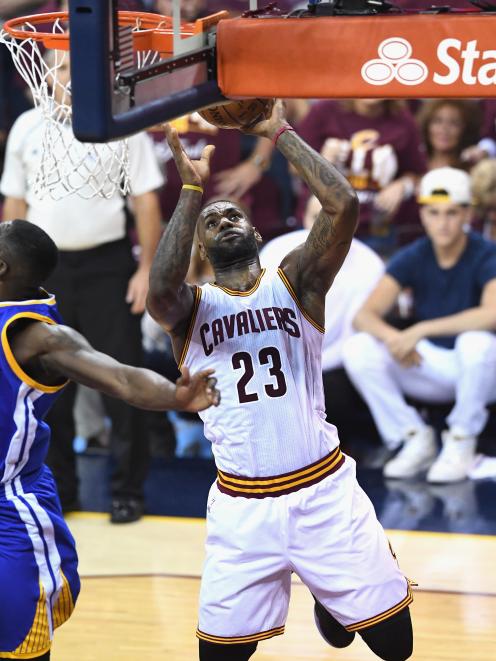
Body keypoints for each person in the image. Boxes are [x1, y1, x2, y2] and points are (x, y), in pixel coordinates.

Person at [147, 102, 413, 661]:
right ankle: (328, 588)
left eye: (232, 214)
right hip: (244, 505)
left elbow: (342, 204)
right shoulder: (190, 308)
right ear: (199, 245)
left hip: (323, 492)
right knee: (219, 658)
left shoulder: (296, 281)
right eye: (210, 221)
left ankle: (330, 587)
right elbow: (159, 291)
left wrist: (279, 132)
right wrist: (190, 192)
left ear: (255, 227)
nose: (224, 222)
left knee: (396, 648)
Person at [0, 219, 219, 661]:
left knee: (18, 640)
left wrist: (176, 397)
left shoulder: (37, 335)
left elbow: (118, 376)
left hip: (10, 511)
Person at [0, 51, 164, 523]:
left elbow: (146, 199)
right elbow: (14, 202)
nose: (65, 75)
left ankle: (128, 490)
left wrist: (145, 267)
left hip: (107, 265)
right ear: (41, 74)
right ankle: (62, 489)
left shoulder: (123, 124)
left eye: (74, 66)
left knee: (119, 374)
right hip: (40, 274)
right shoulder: (26, 127)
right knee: (46, 383)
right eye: (59, 67)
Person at [343, 167, 496, 483]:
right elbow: (363, 316)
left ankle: (461, 441)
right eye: (434, 212)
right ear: (423, 215)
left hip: (481, 372)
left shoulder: (486, 252)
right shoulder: (414, 254)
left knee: (476, 342)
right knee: (357, 348)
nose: (442, 222)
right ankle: (412, 436)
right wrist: (394, 338)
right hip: (433, 366)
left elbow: (491, 314)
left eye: (452, 213)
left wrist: (419, 331)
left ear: (467, 214)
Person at [260, 194, 385, 445]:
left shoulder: (370, 264)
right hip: (279, 363)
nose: (323, 229)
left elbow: (355, 337)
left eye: (332, 220)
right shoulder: (275, 251)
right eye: (316, 219)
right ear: (305, 219)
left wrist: (310, 372)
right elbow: (260, 321)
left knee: (333, 389)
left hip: (334, 367)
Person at [296, 99, 426, 254]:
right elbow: (293, 167)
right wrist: (321, 158)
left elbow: (417, 172)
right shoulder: (323, 111)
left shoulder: (402, 119)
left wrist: (402, 185)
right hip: (322, 224)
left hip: (375, 229)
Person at [417, 99, 481, 171]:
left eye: (454, 123)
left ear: (466, 130)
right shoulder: (414, 167)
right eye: (438, 121)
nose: (444, 129)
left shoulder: (474, 169)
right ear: (426, 126)